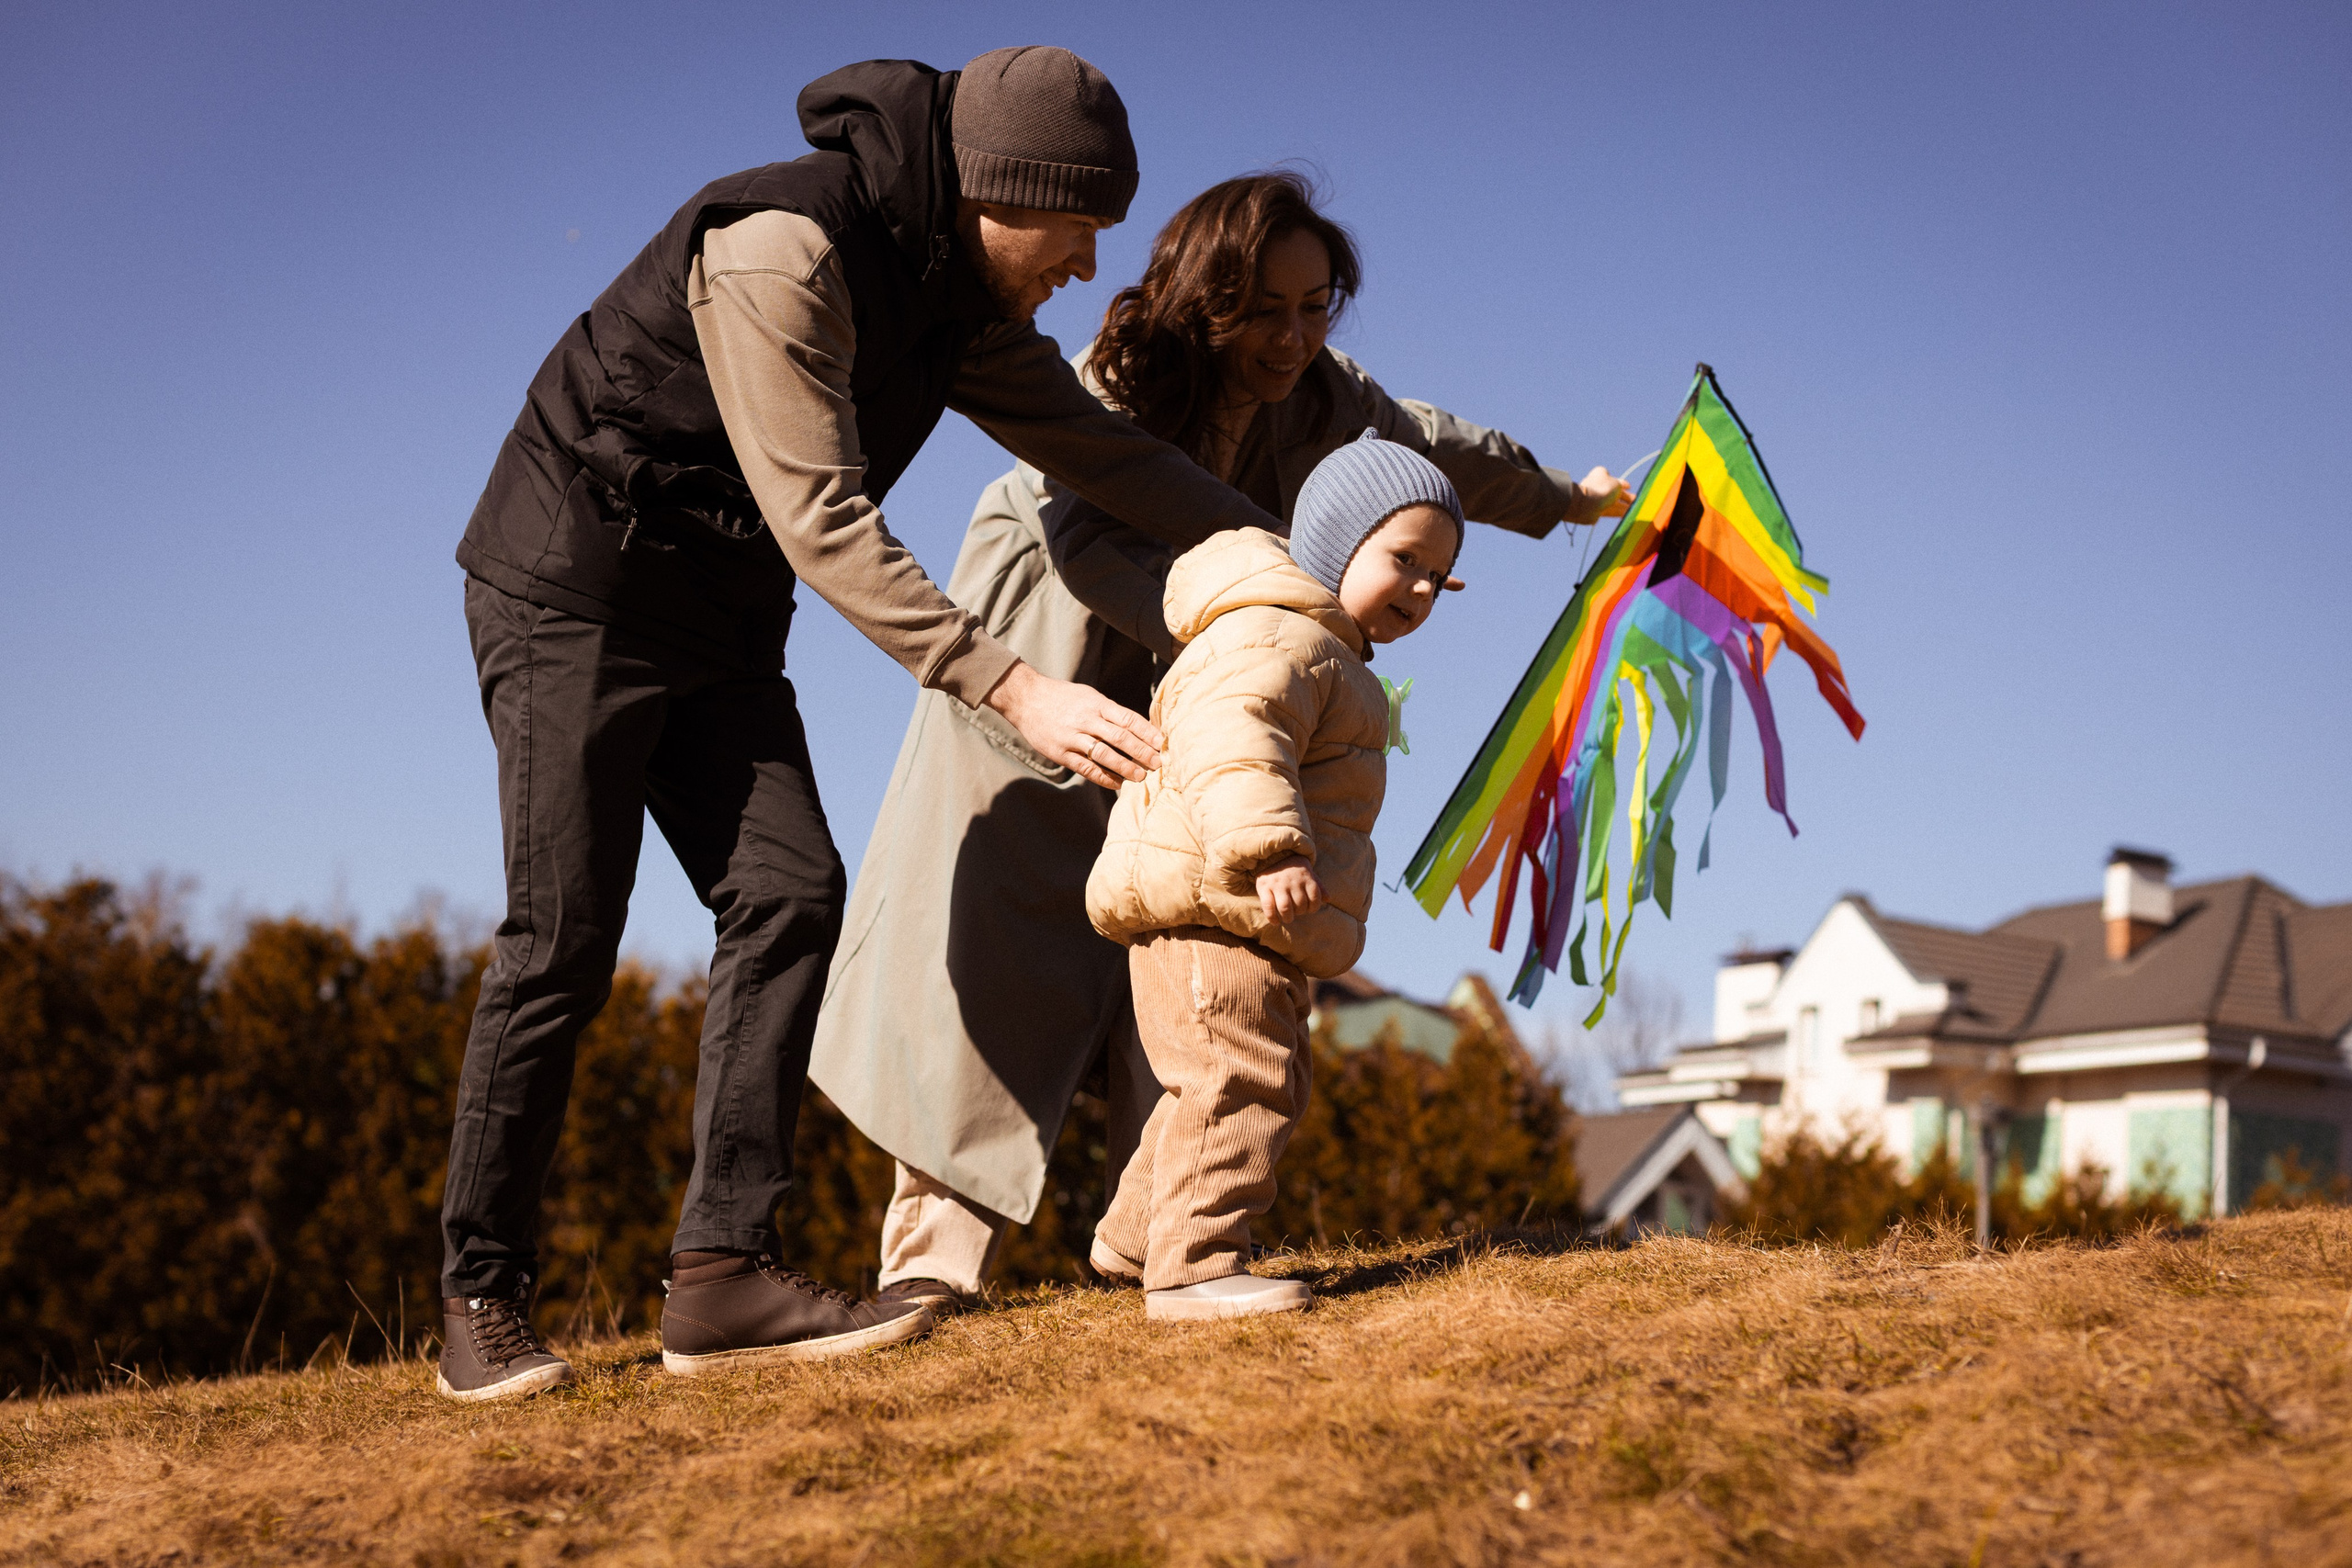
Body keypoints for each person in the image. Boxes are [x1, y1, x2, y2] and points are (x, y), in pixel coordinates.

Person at [434, 48, 1295, 1403]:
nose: (1084, 261)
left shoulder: (957, 300)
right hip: (575, 592)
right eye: (1075, 225)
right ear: (1002, 192)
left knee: (788, 891)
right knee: (566, 931)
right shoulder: (785, 250)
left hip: (714, 619)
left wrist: (1284, 568)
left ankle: (719, 1272)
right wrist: (1019, 685)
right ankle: (480, 1294)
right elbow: (822, 519)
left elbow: (1112, 454)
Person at [809, 173, 1630, 1311]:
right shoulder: (1119, 380)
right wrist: (1238, 622)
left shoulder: (1323, 398)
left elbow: (1434, 450)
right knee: (1008, 931)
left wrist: (1567, 501)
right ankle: (930, 1270)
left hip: (1216, 663)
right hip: (1056, 641)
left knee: (1201, 919)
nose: (1293, 337)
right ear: (1205, 298)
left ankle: (1160, 1238)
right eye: (1265, 309)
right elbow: (1083, 537)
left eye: (1315, 308)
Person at [1086, 433, 1464, 1319]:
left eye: (1437, 577)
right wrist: (1275, 851)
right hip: (1219, 907)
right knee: (1235, 1076)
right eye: (1402, 558)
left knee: (1254, 1073)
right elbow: (1235, 742)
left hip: (1248, 921)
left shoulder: (1322, 649)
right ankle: (1196, 1268)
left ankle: (1138, 1233)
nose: (1417, 588)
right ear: (1336, 543)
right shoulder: (1275, 635)